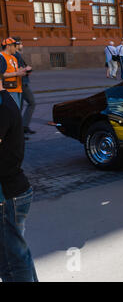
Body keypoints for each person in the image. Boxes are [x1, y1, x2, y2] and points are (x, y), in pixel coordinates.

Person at [0, 66, 37, 282]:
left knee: (14, 262)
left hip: (8, 196)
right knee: (11, 259)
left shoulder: (3, 107)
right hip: (11, 192)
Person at [12, 37, 36, 135]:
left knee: (21, 106)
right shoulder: (15, 55)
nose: (22, 45)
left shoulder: (17, 55)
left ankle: (22, 128)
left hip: (22, 83)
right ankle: (20, 129)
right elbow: (17, 70)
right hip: (20, 83)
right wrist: (27, 70)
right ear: (16, 44)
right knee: (28, 104)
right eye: (21, 43)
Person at [0, 38, 27, 108]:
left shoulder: (13, 57)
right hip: (9, 90)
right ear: (8, 46)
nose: (16, 48)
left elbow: (14, 71)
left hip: (17, 88)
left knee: (17, 112)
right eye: (15, 46)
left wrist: (23, 71)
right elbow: (1, 74)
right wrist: (17, 74)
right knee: (14, 114)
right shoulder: (1, 57)